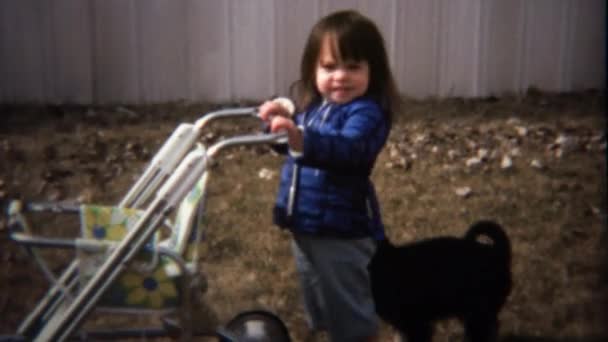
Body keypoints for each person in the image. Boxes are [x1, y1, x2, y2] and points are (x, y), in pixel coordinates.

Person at [258, 9, 400, 342]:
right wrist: (278, 125)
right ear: (313, 69)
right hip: (305, 223)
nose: (340, 76)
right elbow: (296, 146)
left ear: (372, 71)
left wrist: (300, 137)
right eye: (329, 67)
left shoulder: (367, 112)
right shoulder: (315, 107)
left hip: (341, 229)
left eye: (353, 67)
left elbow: (349, 149)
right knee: (319, 296)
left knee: (348, 305)